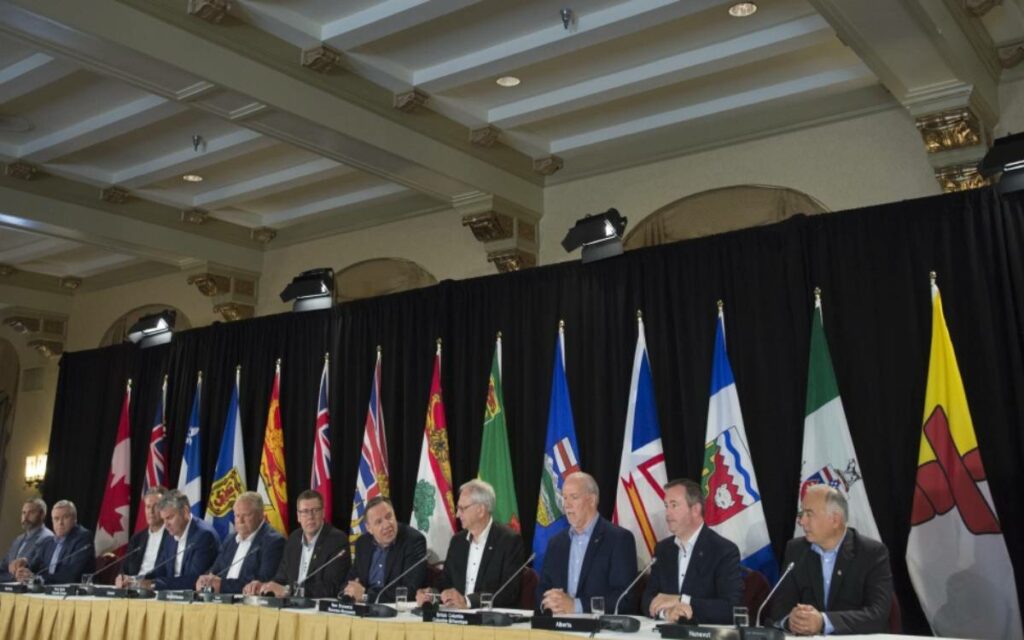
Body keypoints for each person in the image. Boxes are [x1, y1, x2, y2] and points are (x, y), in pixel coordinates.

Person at [767, 484, 894, 635]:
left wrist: (824, 622)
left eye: (809, 514)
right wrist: (791, 620)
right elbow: (779, 609)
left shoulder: (871, 553)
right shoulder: (796, 550)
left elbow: (877, 615)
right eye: (802, 514)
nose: (802, 522)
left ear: (835, 520)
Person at [641, 479, 742, 623]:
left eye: (674, 505)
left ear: (695, 510)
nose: (667, 513)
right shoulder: (663, 549)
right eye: (666, 506)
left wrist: (682, 601)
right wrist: (666, 613)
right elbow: (647, 599)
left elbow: (731, 608)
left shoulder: (723, 550)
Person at [537, 471, 638, 614]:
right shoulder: (556, 543)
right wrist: (548, 604)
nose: (567, 505)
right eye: (565, 498)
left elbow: (624, 598)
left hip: (599, 629)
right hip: (558, 626)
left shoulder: (618, 539)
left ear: (592, 500)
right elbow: (542, 589)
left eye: (574, 497)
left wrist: (576, 606)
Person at [416, 479, 526, 609]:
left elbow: (508, 592)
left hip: (488, 620)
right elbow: (445, 582)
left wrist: (467, 602)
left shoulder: (509, 541)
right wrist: (432, 594)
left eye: (462, 508)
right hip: (454, 617)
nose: (457, 514)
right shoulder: (458, 541)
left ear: (480, 510)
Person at [244, 489, 348, 598]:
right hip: (291, 606)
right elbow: (281, 578)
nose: (310, 516)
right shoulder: (294, 539)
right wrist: (264, 586)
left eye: (315, 510)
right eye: (305, 512)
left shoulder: (336, 540)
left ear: (323, 513)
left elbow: (332, 587)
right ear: (298, 516)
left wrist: (289, 591)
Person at [125, 490, 219, 590]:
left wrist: (154, 584)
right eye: (164, 519)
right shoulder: (170, 537)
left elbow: (194, 579)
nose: (166, 525)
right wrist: (133, 580)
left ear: (185, 511)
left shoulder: (204, 536)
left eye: (169, 518)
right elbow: (159, 571)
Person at [195, 492, 285, 594]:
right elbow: (216, 570)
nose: (240, 521)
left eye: (246, 515)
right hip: (221, 601)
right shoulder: (230, 539)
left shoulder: (274, 542)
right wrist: (206, 579)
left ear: (261, 515)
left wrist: (222, 585)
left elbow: (263, 581)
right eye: (237, 516)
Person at [344, 496, 427, 603]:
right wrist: (349, 591)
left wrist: (366, 595)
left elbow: (410, 590)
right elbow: (351, 580)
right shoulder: (363, 543)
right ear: (369, 528)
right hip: (363, 609)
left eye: (389, 517)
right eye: (378, 522)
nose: (387, 524)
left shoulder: (413, 541)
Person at [13, 500, 94, 584]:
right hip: (46, 590)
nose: (60, 523)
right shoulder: (48, 542)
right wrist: (23, 570)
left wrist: (39, 579)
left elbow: (71, 574)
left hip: (73, 592)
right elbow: (34, 566)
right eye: (56, 518)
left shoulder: (83, 538)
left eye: (65, 517)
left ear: (74, 519)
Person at [1, 498, 53, 582]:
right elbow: (3, 568)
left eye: (31, 512)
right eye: (23, 513)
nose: (25, 517)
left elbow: (37, 570)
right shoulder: (18, 539)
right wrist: (12, 577)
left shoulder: (48, 538)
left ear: (42, 515)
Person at [122, 488, 169, 577]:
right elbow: (124, 569)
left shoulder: (172, 537)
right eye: (148, 506)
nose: (151, 511)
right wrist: (121, 578)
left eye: (156, 506)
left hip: (155, 586)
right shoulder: (137, 538)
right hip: (133, 587)